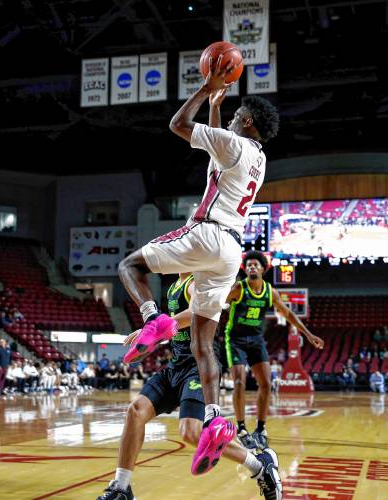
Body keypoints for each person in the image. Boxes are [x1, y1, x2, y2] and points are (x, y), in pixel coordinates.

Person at [117, 59, 280, 473]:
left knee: (130, 266)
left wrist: (206, 89)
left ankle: (154, 318)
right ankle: (213, 419)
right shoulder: (257, 158)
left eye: (238, 115)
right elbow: (217, 141)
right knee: (204, 343)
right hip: (231, 251)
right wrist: (217, 107)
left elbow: (177, 123)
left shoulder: (236, 145)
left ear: (246, 121)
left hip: (207, 232)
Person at [96, 274, 281, 500]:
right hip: (176, 366)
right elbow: (174, 329)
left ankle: (260, 465)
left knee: (192, 433)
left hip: (198, 367)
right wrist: (151, 338)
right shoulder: (175, 286)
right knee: (135, 412)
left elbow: (196, 312)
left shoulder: (197, 282)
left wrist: (154, 330)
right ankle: (121, 487)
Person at [224, 251, 324, 449]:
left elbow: (288, 314)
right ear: (245, 269)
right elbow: (218, 305)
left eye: (256, 265)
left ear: (263, 269)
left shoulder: (270, 292)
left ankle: (260, 429)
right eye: (249, 265)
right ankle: (242, 428)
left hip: (255, 339)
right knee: (238, 382)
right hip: (235, 339)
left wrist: (308, 334)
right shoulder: (238, 288)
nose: (252, 267)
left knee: (267, 384)